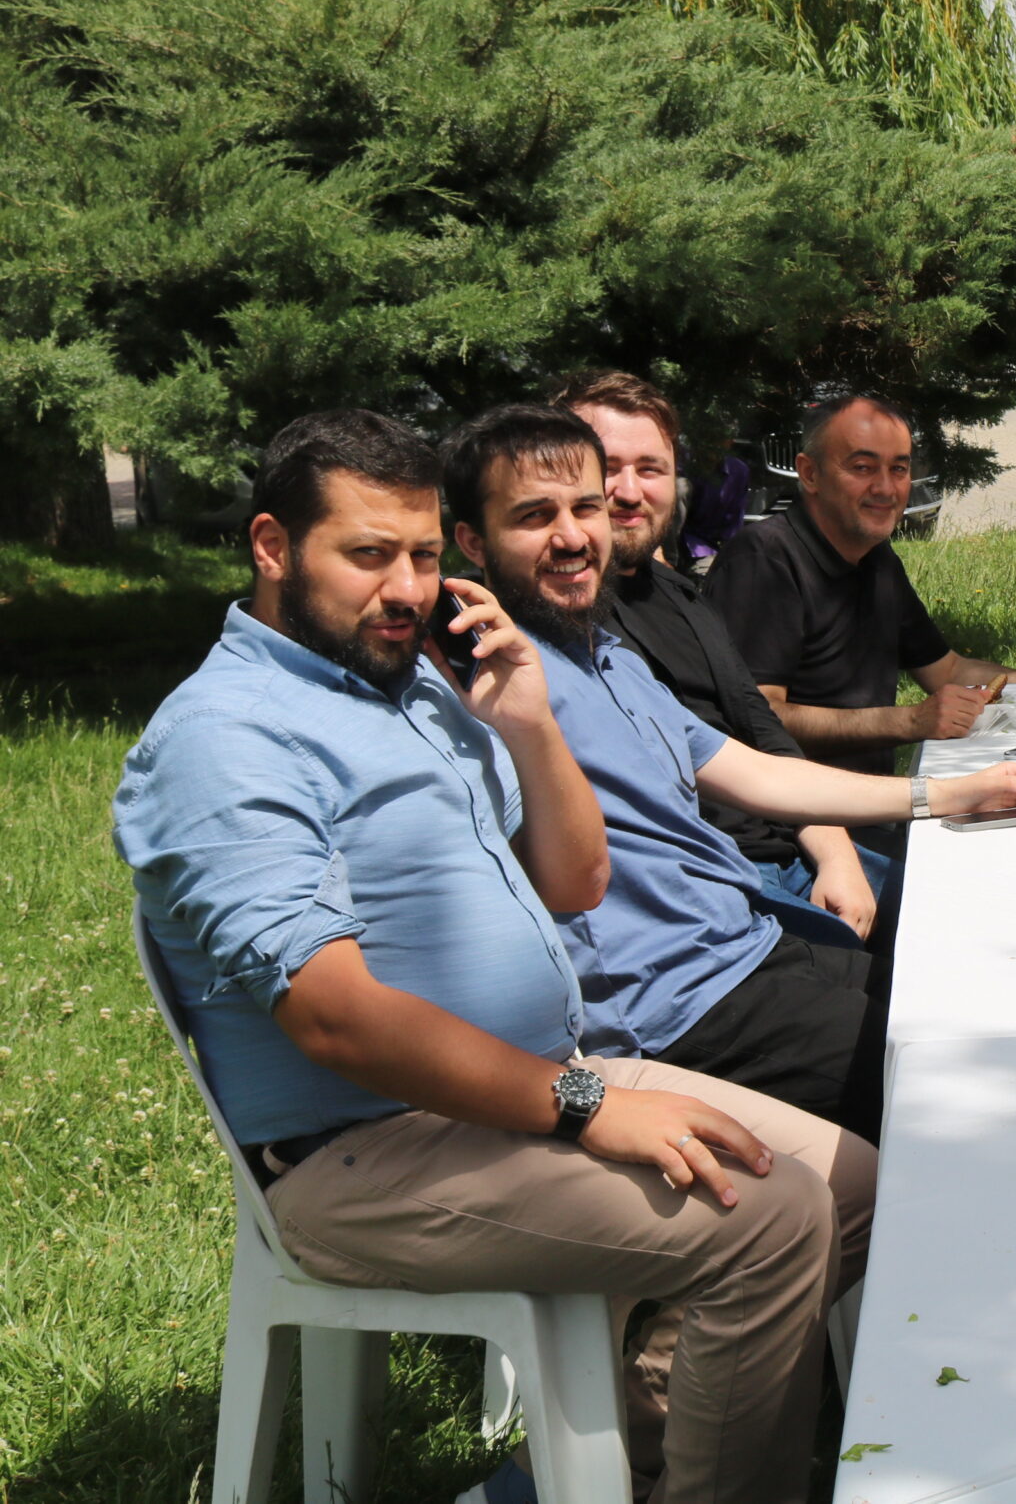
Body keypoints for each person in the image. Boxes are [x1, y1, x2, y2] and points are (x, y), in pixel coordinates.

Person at [114, 410, 871, 1504]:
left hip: (522, 1092)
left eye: (424, 556)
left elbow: (574, 882)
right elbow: (332, 1016)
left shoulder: (411, 682)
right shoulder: (228, 737)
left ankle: (627, 1457)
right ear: (273, 547)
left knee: (854, 1187)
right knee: (773, 1221)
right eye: (368, 555)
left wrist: (529, 722)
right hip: (364, 1149)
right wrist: (584, 1105)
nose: (407, 590)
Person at [443, 406, 1016, 1144]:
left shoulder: (610, 657)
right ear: (473, 541)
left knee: (976, 994)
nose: (571, 536)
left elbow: (758, 772)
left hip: (750, 943)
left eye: (585, 508)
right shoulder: (489, 688)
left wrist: (949, 793)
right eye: (535, 516)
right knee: (966, 1078)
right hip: (677, 1008)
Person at [545, 369, 887, 941]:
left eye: (650, 468)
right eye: (606, 468)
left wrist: (836, 853)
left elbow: (760, 724)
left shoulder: (673, 590)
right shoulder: (562, 620)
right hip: (717, 882)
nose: (628, 491)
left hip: (797, 844)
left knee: (963, 904)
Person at [708, 389, 1016, 775]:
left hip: (870, 800)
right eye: (863, 467)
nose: (885, 489)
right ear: (810, 473)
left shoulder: (876, 559)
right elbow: (756, 715)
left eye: (898, 469)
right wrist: (910, 721)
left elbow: (947, 671)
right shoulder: (762, 561)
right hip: (794, 808)